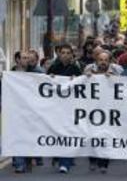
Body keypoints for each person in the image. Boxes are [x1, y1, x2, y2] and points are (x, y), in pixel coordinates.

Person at [47, 44, 82, 174]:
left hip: (70, 108)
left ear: (71, 55)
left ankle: (65, 162)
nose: (65, 55)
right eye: (63, 53)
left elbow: (82, 86)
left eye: (68, 53)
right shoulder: (53, 67)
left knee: (68, 134)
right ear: (59, 54)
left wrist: (76, 80)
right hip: (56, 108)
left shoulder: (75, 68)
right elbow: (46, 85)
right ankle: (59, 156)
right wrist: (49, 78)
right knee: (57, 133)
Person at [85, 51, 121, 173]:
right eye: (101, 59)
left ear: (109, 61)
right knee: (93, 134)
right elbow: (81, 82)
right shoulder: (89, 68)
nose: (103, 62)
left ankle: (104, 164)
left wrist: (113, 78)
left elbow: (125, 82)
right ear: (96, 60)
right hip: (92, 108)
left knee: (106, 135)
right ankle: (92, 159)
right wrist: (87, 76)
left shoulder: (117, 69)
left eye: (105, 60)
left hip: (109, 108)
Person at [13, 51, 43, 173]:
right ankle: (19, 162)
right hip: (16, 110)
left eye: (27, 58)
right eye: (24, 58)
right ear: (17, 60)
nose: (27, 60)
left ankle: (28, 159)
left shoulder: (35, 73)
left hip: (31, 111)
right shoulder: (10, 74)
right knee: (16, 136)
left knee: (28, 136)